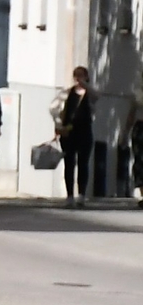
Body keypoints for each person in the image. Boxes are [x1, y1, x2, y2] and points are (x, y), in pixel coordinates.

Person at [54, 65, 95, 205]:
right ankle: (70, 195)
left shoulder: (90, 94)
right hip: (69, 132)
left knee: (83, 163)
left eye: (81, 75)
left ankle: (82, 194)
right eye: (76, 75)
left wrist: (86, 86)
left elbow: (97, 95)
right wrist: (59, 126)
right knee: (69, 163)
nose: (78, 78)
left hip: (85, 131)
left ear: (86, 77)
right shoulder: (66, 93)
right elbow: (55, 108)